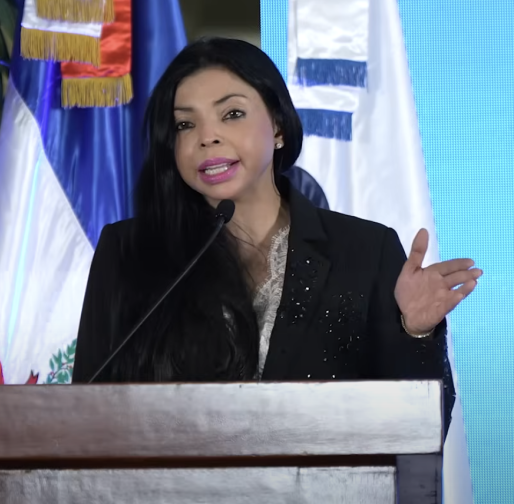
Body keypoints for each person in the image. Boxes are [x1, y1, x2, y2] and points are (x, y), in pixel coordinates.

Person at [71, 38, 480, 427]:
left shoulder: (365, 252)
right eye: (184, 124)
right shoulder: (128, 252)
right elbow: (86, 414)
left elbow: (420, 426)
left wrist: (415, 332)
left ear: (279, 126)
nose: (206, 137)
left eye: (232, 114)